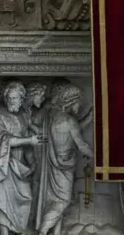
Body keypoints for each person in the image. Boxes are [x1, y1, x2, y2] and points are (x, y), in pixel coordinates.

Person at [35, 83, 93, 235]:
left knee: (56, 201)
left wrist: (89, 117)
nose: (79, 105)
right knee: (63, 201)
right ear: (71, 101)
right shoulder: (69, 121)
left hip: (54, 165)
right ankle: (42, 231)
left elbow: (71, 131)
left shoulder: (53, 116)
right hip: (64, 166)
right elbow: (82, 146)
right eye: (78, 102)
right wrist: (100, 158)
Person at [0, 81, 44, 235]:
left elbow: (28, 142)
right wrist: (29, 140)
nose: (11, 101)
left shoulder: (24, 116)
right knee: (4, 202)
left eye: (14, 98)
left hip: (20, 166)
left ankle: (19, 231)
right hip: (4, 164)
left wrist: (32, 163)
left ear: (22, 99)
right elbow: (4, 140)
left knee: (27, 197)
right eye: (8, 98)